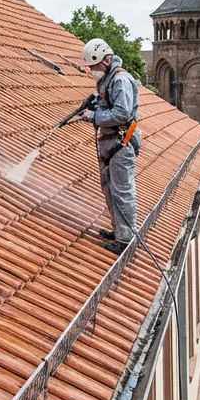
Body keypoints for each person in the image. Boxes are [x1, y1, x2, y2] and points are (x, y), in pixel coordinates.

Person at [81, 38, 142, 254]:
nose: (92, 71)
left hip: (121, 143)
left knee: (122, 191)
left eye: (94, 66)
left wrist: (93, 116)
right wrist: (95, 106)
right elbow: (108, 104)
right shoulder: (107, 80)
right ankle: (118, 230)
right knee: (109, 189)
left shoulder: (120, 80)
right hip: (109, 143)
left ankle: (125, 240)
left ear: (106, 60)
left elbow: (122, 113)